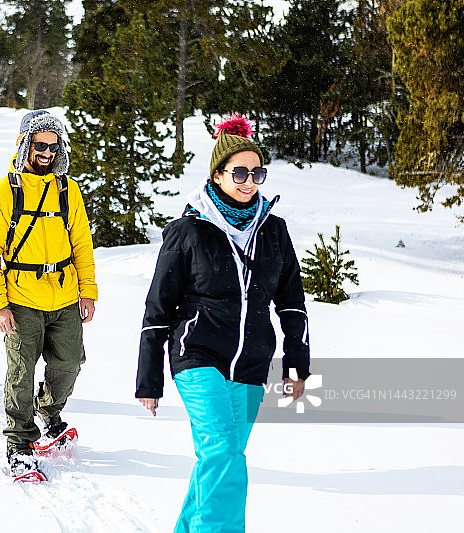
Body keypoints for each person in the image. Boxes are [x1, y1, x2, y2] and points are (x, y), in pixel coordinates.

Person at [136, 113, 310, 532]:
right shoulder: (188, 231)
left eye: (257, 172)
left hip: (250, 363)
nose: (249, 181)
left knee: (220, 459)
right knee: (221, 453)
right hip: (196, 355)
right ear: (217, 174)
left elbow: (292, 303)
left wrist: (297, 363)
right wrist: (149, 377)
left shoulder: (274, 231)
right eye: (240, 172)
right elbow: (158, 306)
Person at [0, 110, 97, 475]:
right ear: (25, 145)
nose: (46, 151)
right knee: (21, 371)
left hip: (64, 297)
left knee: (70, 362)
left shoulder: (67, 189)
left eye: (53, 144)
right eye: (39, 144)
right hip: (21, 300)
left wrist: (87, 292)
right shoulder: (4, 192)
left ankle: (48, 410)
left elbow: (82, 244)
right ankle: (19, 441)